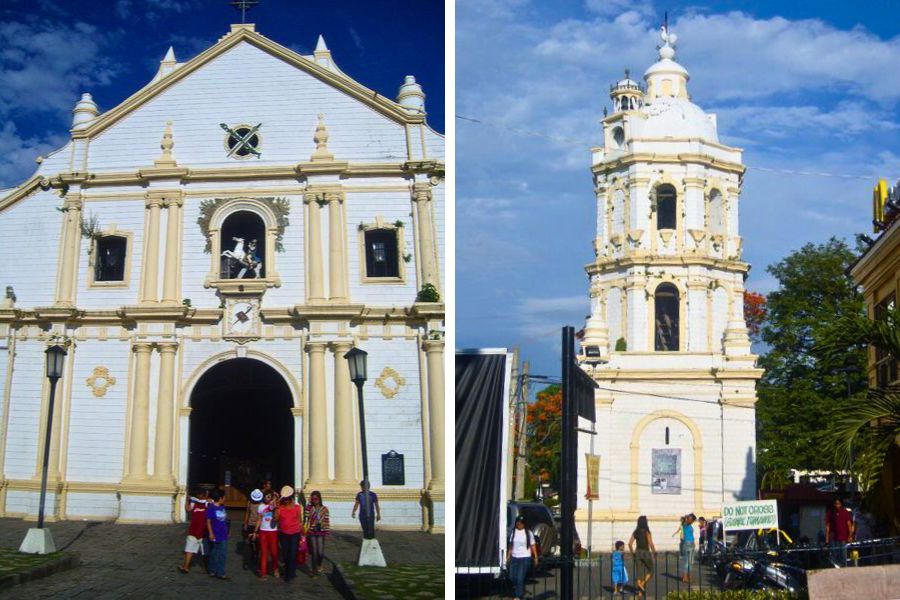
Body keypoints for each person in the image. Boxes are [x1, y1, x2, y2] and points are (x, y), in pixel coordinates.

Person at [505, 515, 538, 600]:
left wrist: (535, 557)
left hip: (525, 557)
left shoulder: (528, 533)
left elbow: (533, 545)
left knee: (520, 577)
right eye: (518, 522)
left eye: (521, 523)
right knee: (512, 576)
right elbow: (511, 545)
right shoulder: (513, 532)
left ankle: (518, 596)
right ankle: (519, 590)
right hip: (515, 557)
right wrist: (508, 556)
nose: (519, 524)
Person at [275, 485, 303, 583]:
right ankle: (288, 570)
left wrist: (302, 534)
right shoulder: (280, 508)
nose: (286, 501)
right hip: (284, 533)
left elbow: (300, 521)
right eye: (284, 499)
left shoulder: (297, 507)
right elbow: (275, 519)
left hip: (295, 533)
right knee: (286, 554)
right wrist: (276, 508)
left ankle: (290, 572)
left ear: (291, 498)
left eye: (287, 499)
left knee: (293, 553)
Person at [178, 489, 208, 574]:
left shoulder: (202, 503)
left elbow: (188, 509)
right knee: (203, 552)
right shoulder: (202, 503)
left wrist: (187, 500)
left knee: (190, 550)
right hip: (199, 531)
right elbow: (188, 509)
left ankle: (186, 567)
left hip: (198, 531)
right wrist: (188, 500)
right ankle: (205, 568)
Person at [628, 515, 656, 596]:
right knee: (651, 570)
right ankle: (642, 584)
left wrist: (632, 553)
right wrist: (654, 552)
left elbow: (629, 544)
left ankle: (640, 592)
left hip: (637, 552)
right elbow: (650, 543)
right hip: (646, 552)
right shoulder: (647, 532)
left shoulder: (635, 532)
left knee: (639, 572)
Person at [255, 489, 280, 579]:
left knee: (274, 552)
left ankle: (275, 568)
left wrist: (274, 509)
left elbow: (276, 519)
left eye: (269, 497)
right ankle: (263, 572)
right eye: (265, 496)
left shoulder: (275, 506)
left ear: (272, 497)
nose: (267, 498)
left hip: (273, 531)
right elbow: (259, 519)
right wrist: (255, 531)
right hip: (263, 531)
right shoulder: (261, 507)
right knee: (264, 552)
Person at [206, 489, 230, 580]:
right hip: (215, 533)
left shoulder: (222, 507)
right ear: (220, 498)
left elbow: (224, 520)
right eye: (223, 497)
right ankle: (212, 570)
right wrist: (211, 533)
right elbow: (208, 522)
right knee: (214, 553)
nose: (224, 499)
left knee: (223, 554)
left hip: (223, 533)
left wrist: (227, 530)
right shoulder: (211, 508)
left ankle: (221, 572)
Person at [306, 490, 331, 577]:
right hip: (313, 531)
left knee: (320, 552)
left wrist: (327, 530)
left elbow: (327, 520)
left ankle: (319, 564)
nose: (315, 500)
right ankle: (314, 571)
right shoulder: (311, 509)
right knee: (314, 552)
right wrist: (309, 504)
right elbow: (306, 517)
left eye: (316, 498)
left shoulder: (325, 509)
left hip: (321, 531)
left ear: (320, 499)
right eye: (313, 499)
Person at [825, 497, 855, 565]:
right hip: (833, 538)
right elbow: (827, 526)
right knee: (834, 555)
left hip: (843, 538)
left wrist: (850, 536)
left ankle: (843, 569)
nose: (837, 505)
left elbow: (849, 525)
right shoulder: (830, 513)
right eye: (835, 504)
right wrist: (827, 539)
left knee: (843, 556)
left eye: (838, 504)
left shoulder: (845, 512)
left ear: (841, 504)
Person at [243, 489, 263, 570]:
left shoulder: (262, 505)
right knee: (250, 540)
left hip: (258, 525)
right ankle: (253, 552)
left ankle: (257, 552)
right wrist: (245, 523)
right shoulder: (250, 503)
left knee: (258, 541)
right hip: (251, 524)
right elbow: (247, 513)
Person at [675, 513, 696, 583]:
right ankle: (685, 577)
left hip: (691, 543)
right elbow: (683, 519)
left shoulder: (688, 525)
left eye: (692, 520)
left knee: (690, 561)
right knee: (687, 561)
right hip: (688, 543)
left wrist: (689, 518)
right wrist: (687, 517)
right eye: (691, 519)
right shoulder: (685, 524)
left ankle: (688, 576)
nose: (691, 521)